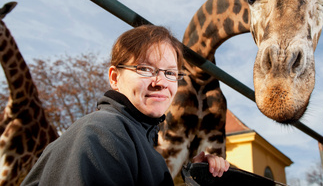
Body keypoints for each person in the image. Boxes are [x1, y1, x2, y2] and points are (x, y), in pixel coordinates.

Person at [21, 25, 229, 186]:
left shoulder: (139, 145)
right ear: (114, 77)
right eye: (145, 68)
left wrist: (195, 177)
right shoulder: (100, 134)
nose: (160, 82)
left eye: (170, 73)